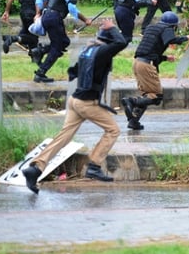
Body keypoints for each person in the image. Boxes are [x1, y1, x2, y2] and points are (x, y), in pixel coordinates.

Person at [21, 20, 128, 194]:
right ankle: (94, 165)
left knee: (64, 136)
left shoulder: (88, 50)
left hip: (74, 100)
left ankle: (36, 168)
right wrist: (113, 28)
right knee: (113, 130)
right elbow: (121, 43)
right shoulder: (102, 52)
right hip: (86, 103)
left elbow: (73, 72)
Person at [121, 12, 189, 130]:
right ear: (173, 25)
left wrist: (165, 58)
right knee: (156, 97)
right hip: (146, 65)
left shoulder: (151, 28)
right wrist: (187, 37)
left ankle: (133, 121)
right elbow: (171, 40)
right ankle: (131, 101)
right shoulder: (167, 28)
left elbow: (150, 49)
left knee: (147, 95)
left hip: (137, 63)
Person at [33, 0, 92, 83]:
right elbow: (71, 8)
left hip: (46, 16)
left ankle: (40, 51)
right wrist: (85, 20)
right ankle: (40, 72)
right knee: (57, 47)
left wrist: (38, 13)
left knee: (65, 42)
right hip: (55, 18)